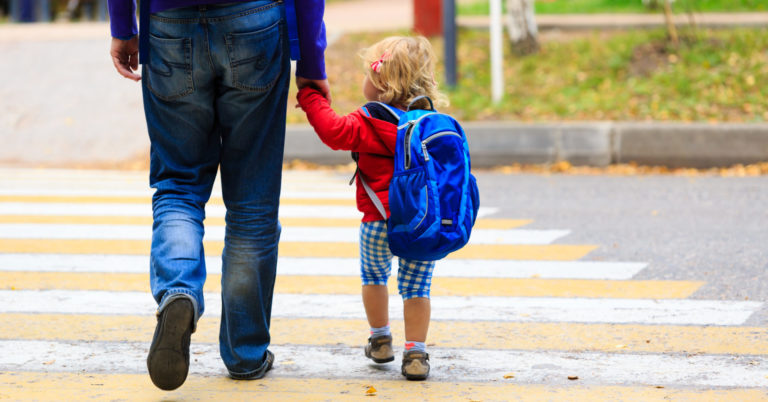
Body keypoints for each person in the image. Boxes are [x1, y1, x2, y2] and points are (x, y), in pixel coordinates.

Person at [107, 0, 329, 391]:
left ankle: (179, 291)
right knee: (252, 201)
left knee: (178, 184)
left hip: (168, 22)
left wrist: (123, 26)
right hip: (255, 21)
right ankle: (245, 354)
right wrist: (311, 61)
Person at [296, 36, 448, 381]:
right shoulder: (430, 124)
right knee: (417, 289)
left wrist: (310, 97)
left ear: (380, 82)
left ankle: (380, 338)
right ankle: (416, 352)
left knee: (374, 278)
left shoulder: (371, 120)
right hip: (422, 225)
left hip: (377, 222)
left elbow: (333, 131)